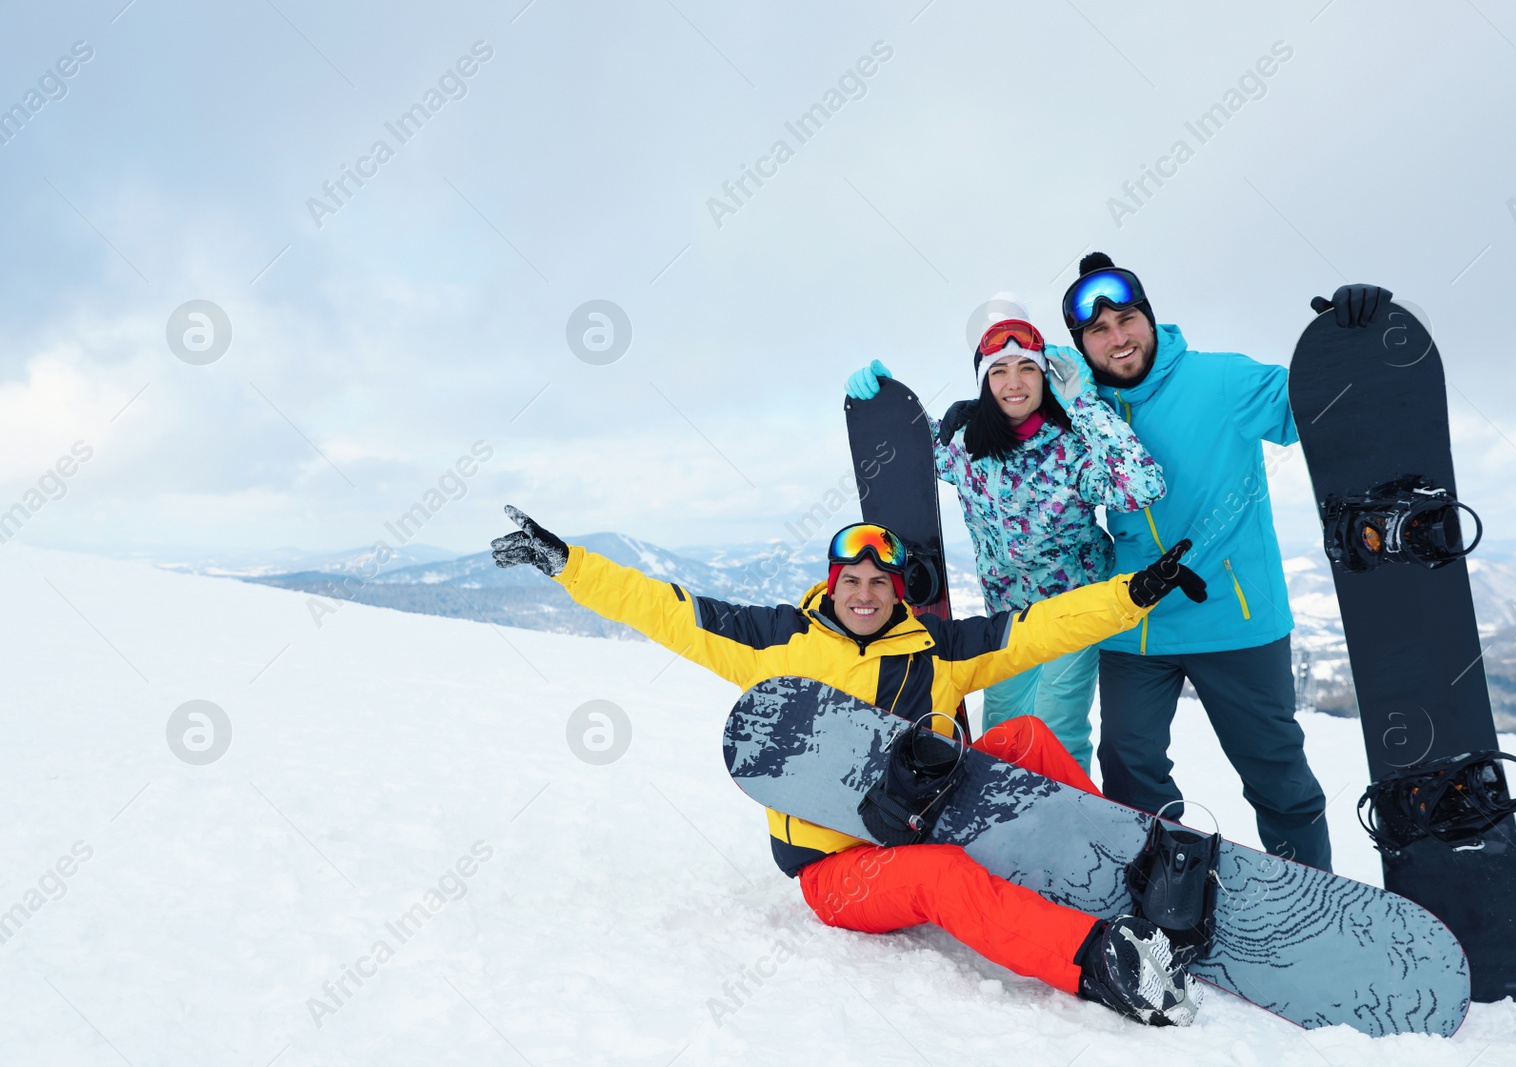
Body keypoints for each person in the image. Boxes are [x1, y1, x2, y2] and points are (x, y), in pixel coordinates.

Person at [492, 510, 1207, 1025]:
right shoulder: (772, 640)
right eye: (852, 578)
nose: (864, 593)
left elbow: (1040, 627)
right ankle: (1101, 963)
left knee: (1021, 733)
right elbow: (665, 609)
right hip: (840, 873)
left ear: (899, 589)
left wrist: (1131, 594)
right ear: (832, 582)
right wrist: (568, 564)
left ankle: (1130, 859)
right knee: (942, 877)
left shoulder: (937, 648)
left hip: (930, 816)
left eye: (879, 581)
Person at [1050, 251, 1391, 872]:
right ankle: (1159, 893)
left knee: (1275, 773)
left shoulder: (1222, 381)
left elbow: (1320, 406)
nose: (1117, 339)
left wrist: (1359, 336)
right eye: (1097, 331)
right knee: (1129, 770)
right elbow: (1009, 420)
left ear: (1150, 320)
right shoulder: (1079, 409)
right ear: (1082, 346)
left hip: (1235, 621)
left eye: (1126, 320)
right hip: (1136, 625)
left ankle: (1308, 897)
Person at [844, 309, 1165, 774]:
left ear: (1045, 378)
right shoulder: (968, 448)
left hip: (1073, 614)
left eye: (1027, 368)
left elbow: (1143, 486)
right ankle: (994, 827)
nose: (1014, 382)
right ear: (984, 382)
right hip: (1006, 622)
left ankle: (1066, 831)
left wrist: (1083, 404)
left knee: (1055, 733)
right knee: (1000, 735)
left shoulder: (1070, 448)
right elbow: (911, 448)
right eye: (999, 371)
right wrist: (885, 399)